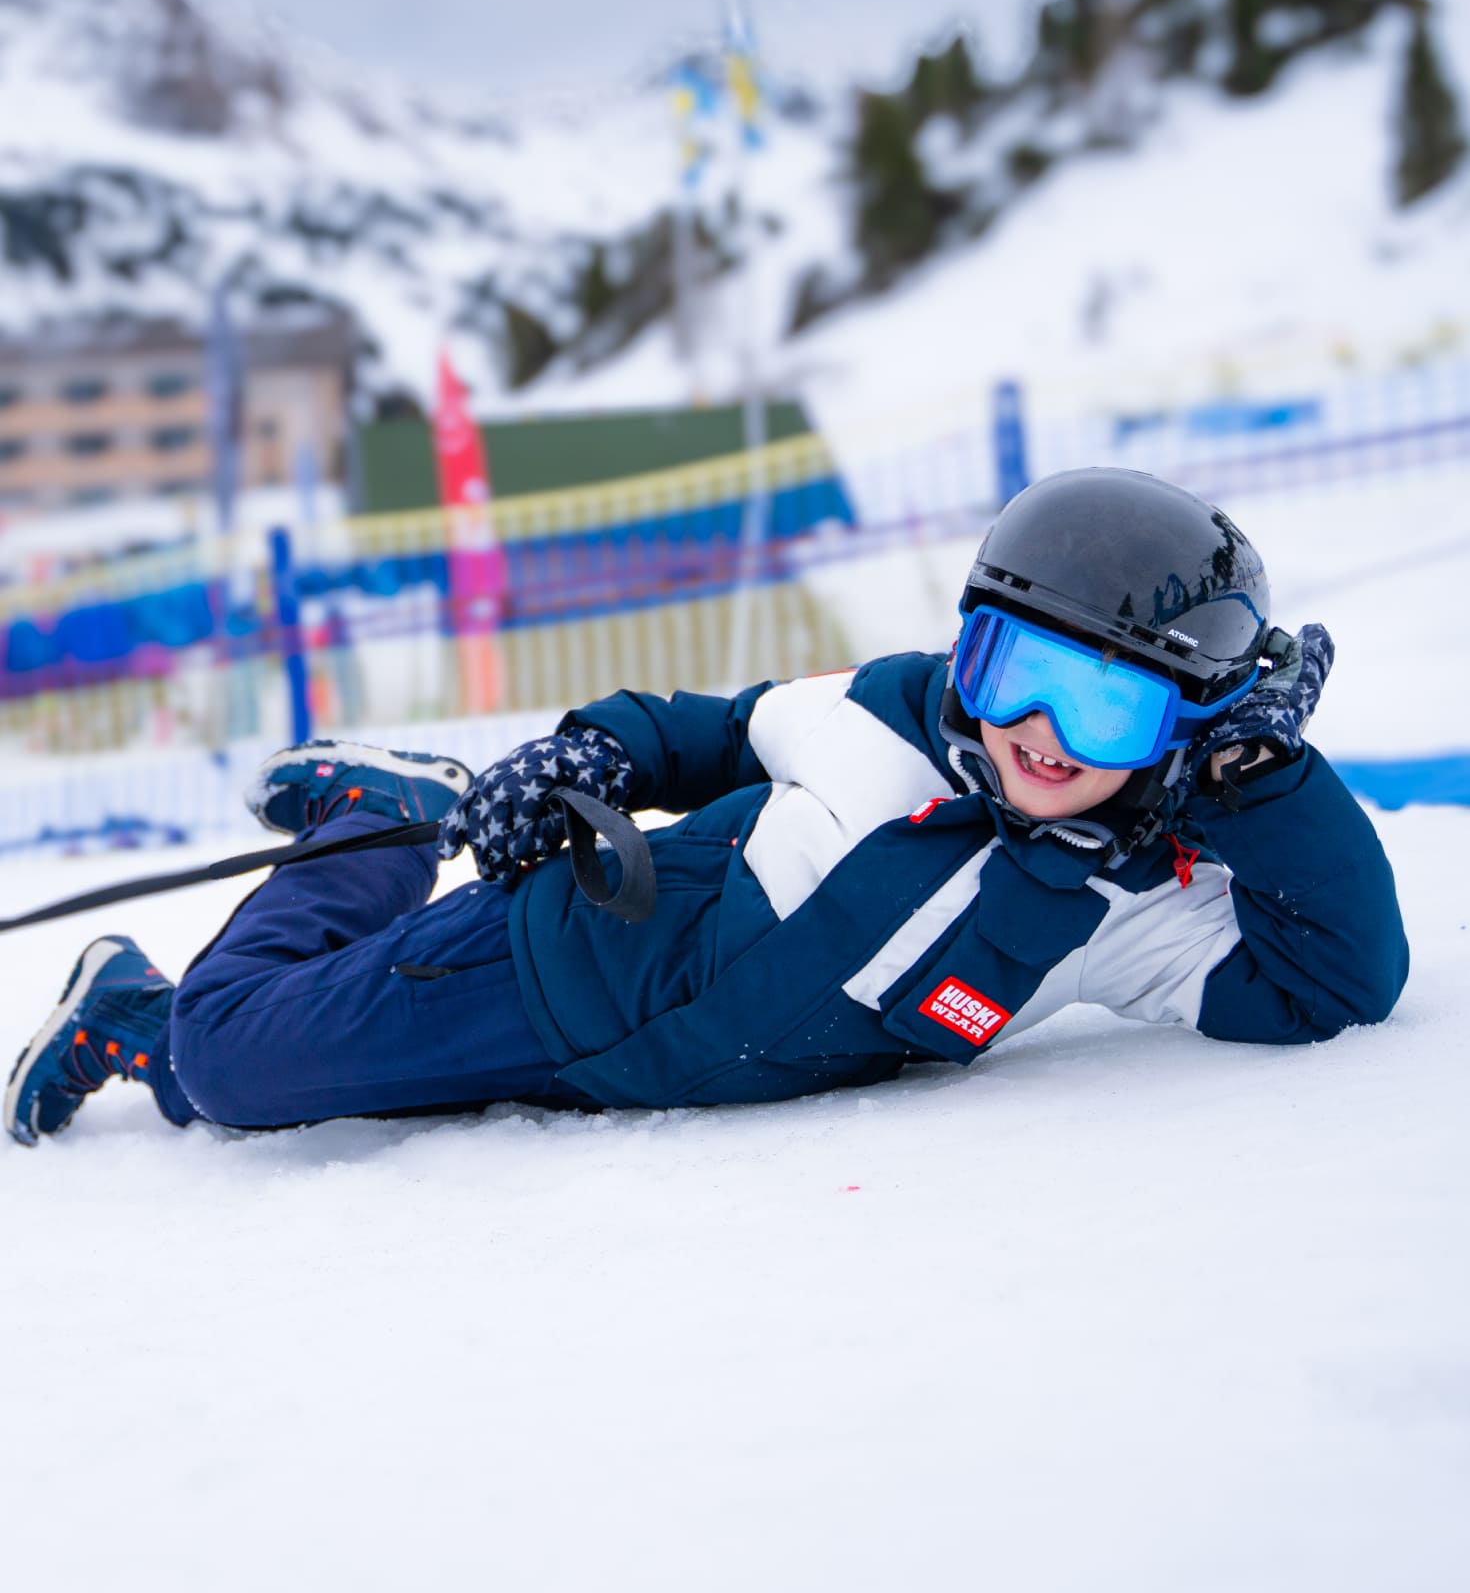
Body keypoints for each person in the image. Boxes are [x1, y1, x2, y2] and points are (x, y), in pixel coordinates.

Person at [5, 467, 1409, 1146]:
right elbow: (714, 728)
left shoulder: (1112, 908)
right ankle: (365, 825)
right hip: (551, 960)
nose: (1033, 730)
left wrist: (1262, 782)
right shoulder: (886, 716)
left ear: (1188, 726)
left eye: (1102, 707)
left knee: (268, 1073)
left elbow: (1337, 978)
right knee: (236, 1061)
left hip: (609, 1068)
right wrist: (591, 758)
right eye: (1010, 670)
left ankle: (134, 1015)